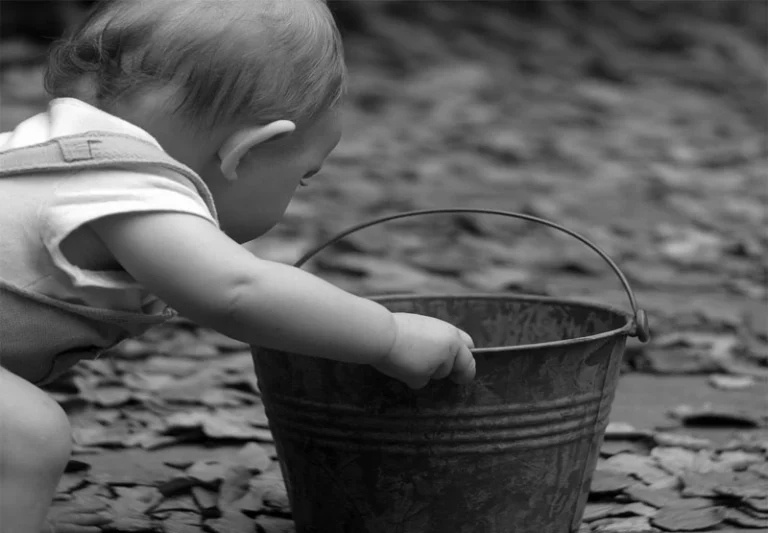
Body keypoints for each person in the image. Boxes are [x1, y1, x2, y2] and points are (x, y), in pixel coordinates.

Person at [0, 1, 477, 531]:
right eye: (303, 177)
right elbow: (238, 289)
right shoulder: (125, 184)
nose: (297, 191)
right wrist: (387, 336)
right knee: (26, 435)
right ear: (247, 152)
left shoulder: (52, 150)